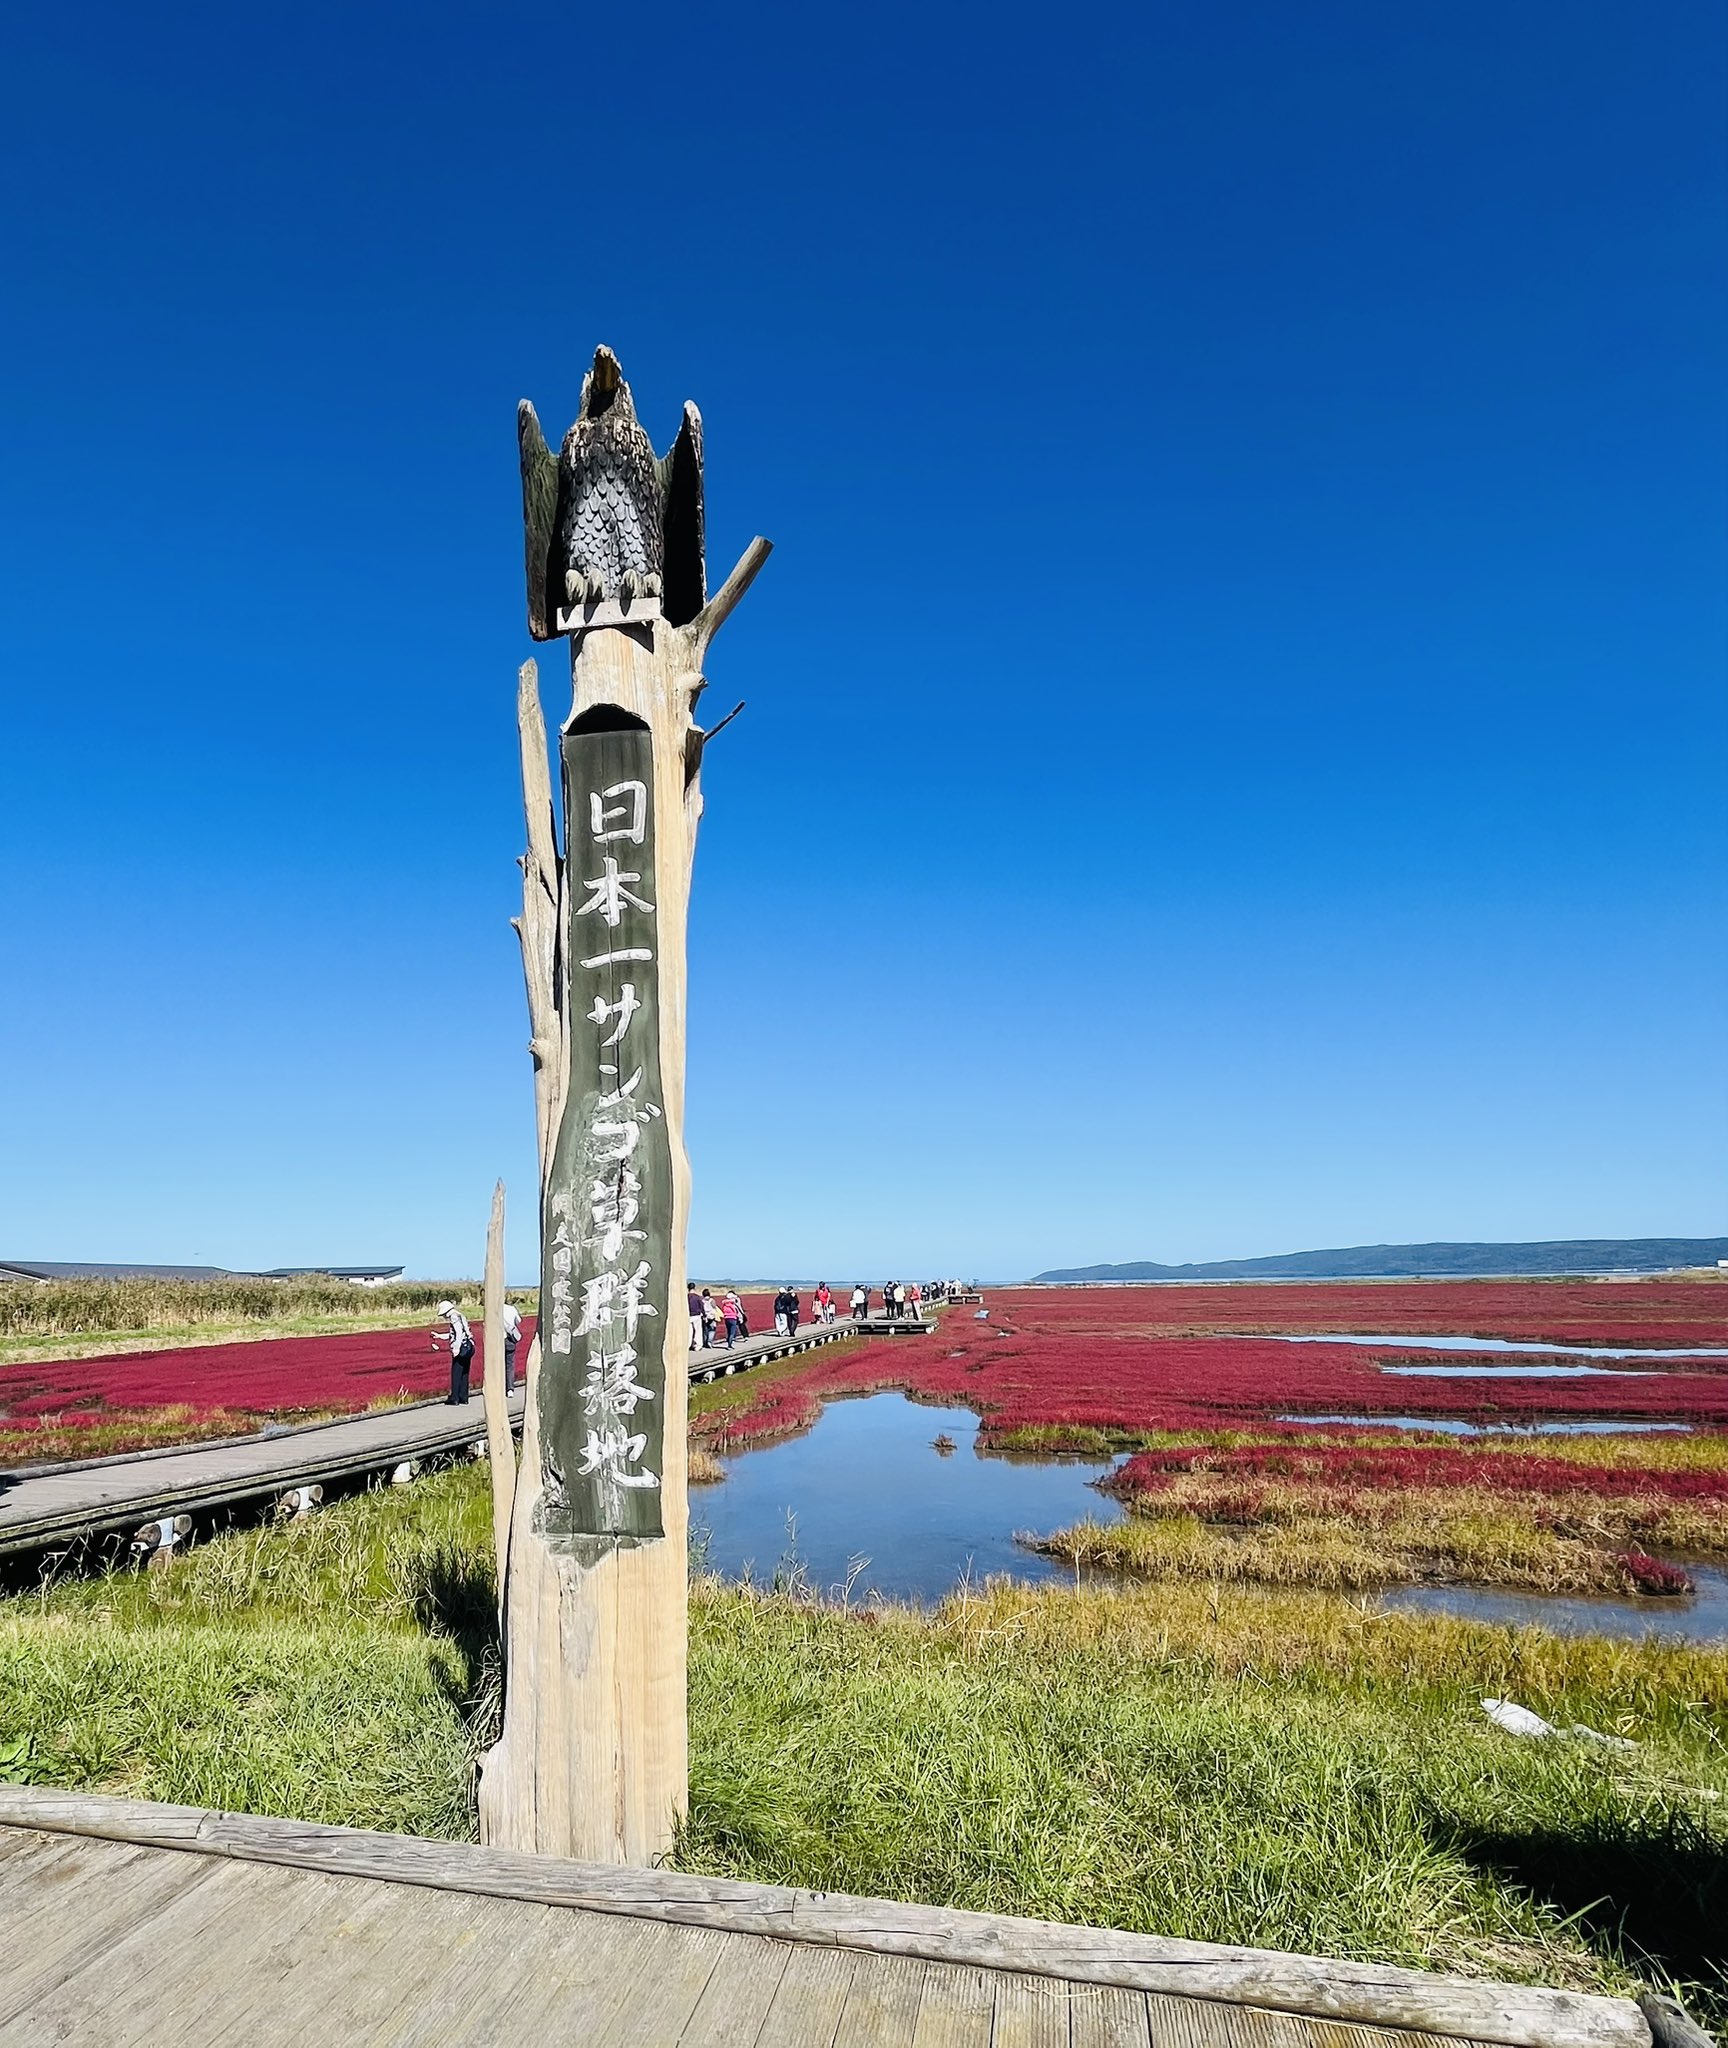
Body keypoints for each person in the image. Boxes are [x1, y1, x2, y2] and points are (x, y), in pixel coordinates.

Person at [432, 1299, 475, 1405]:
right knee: (465, 1372)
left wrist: (456, 1348)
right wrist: (439, 1336)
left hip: (461, 1349)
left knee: (456, 1373)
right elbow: (456, 1334)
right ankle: (463, 1397)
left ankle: (454, 1397)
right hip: (469, 1347)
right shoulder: (461, 1315)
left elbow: (459, 1334)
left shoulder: (454, 1317)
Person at [501, 1298, 523, 1393]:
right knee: (510, 1364)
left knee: (498, 1364)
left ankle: (499, 1387)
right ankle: (510, 1389)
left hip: (498, 1339)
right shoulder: (512, 1309)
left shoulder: (496, 1309)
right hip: (510, 1339)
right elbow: (519, 1321)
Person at [688, 1284, 705, 1352]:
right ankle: (698, 1345)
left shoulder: (686, 1297)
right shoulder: (697, 1297)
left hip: (688, 1316)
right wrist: (704, 1315)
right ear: (694, 1288)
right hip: (696, 1315)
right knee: (698, 1331)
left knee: (689, 1331)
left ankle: (688, 1345)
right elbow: (701, 1306)